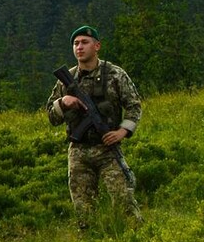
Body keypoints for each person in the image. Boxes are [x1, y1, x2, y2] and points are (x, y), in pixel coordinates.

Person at [46, 25, 143, 227]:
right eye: (75, 43)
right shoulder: (67, 79)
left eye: (84, 42)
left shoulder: (115, 74)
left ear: (97, 46)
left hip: (107, 149)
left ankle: (136, 239)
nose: (79, 47)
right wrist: (64, 102)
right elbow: (51, 116)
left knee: (124, 201)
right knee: (83, 209)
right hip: (78, 151)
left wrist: (122, 132)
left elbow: (134, 106)